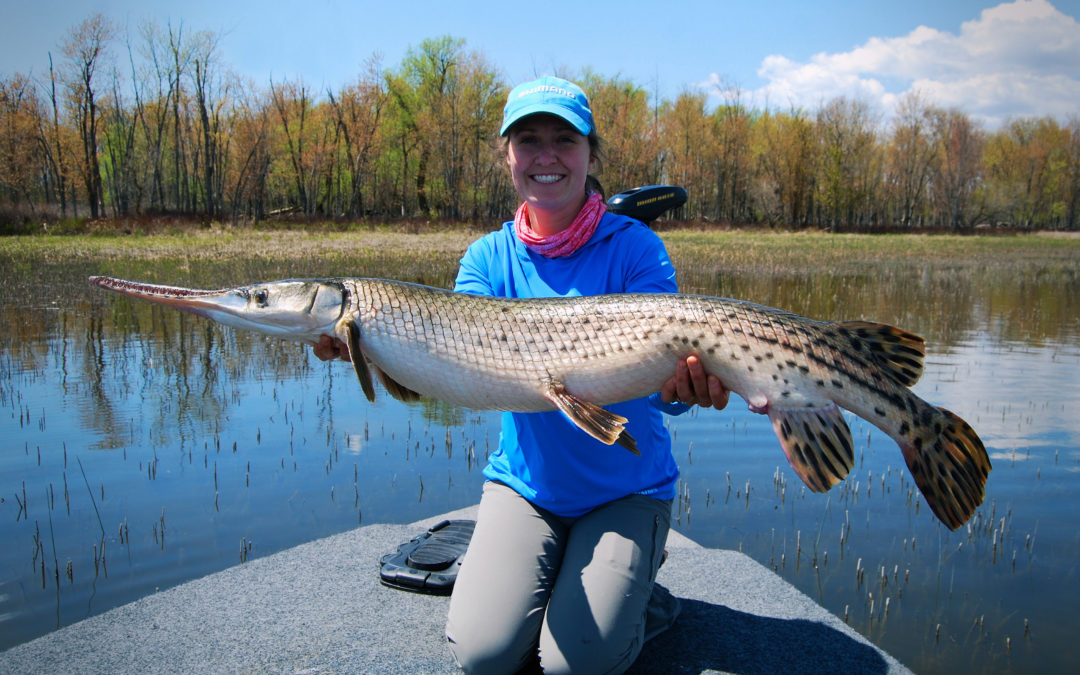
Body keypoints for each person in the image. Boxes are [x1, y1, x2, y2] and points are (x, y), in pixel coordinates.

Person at [314, 76, 728, 674]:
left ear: (590, 155)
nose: (546, 156)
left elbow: (669, 397)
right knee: (483, 654)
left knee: (575, 665)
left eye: (565, 139)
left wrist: (685, 390)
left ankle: (645, 598)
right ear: (508, 156)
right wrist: (373, 350)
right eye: (528, 140)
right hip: (527, 489)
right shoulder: (487, 258)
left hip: (628, 492)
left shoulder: (636, 248)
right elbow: (453, 373)